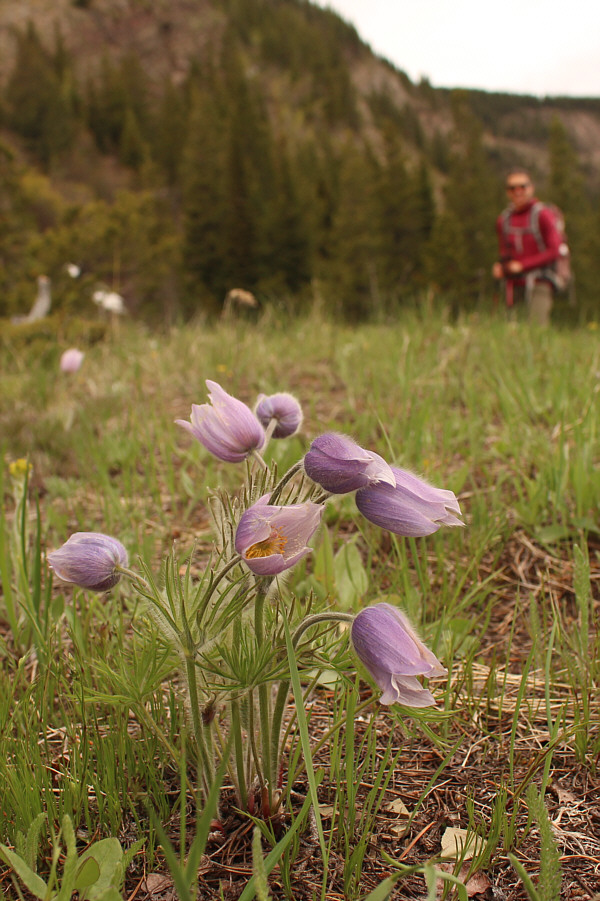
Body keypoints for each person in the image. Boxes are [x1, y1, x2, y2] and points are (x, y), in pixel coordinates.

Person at [492, 168, 562, 326]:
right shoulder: (503, 220)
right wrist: (502, 267)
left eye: (522, 187)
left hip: (541, 281)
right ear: (507, 192)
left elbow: (554, 250)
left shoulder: (543, 215)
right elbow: (504, 251)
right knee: (511, 330)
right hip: (513, 284)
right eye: (512, 188)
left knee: (537, 328)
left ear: (531, 188)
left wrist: (523, 265)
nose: (517, 192)